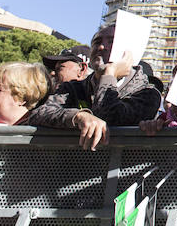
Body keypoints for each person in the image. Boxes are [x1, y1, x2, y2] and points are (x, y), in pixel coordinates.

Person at [26, 24, 161, 150]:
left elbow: (109, 119)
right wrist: (78, 116)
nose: (101, 47)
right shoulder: (72, 88)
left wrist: (109, 75)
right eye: (97, 42)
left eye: (111, 41)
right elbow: (38, 114)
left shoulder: (147, 93)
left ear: (129, 54)